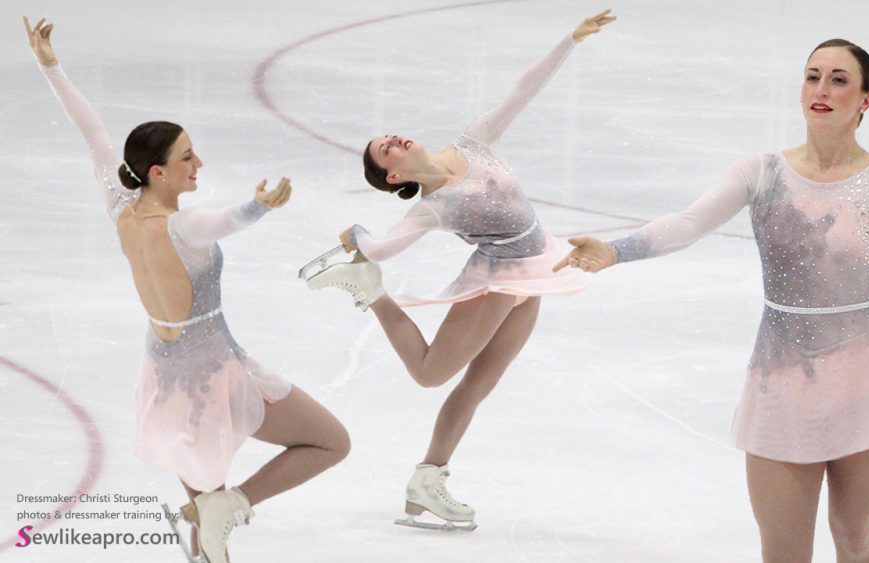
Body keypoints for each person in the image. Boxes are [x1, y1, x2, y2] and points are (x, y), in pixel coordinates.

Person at [555, 38, 869, 562]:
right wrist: (613, 249)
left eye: (838, 79)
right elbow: (688, 223)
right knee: (784, 551)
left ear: (865, 100)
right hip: (781, 376)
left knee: (855, 539)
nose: (821, 89)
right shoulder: (762, 172)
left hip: (866, 377)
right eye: (813, 76)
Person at [24, 17, 350, 562]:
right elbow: (224, 221)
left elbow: (95, 134)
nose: (199, 164)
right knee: (330, 442)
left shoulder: (121, 207)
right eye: (187, 158)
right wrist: (258, 208)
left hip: (164, 373)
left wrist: (49, 65)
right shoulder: (182, 226)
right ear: (157, 172)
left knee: (207, 531)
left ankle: (213, 527)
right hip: (213, 371)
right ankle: (236, 502)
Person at [305, 10, 615, 530]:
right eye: (387, 150)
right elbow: (382, 248)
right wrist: (355, 238)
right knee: (431, 374)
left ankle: (429, 479)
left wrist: (570, 40)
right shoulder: (432, 205)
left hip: (537, 268)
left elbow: (521, 91)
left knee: (479, 383)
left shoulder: (473, 142)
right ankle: (369, 294)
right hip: (498, 282)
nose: (395, 139)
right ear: (394, 175)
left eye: (391, 135)